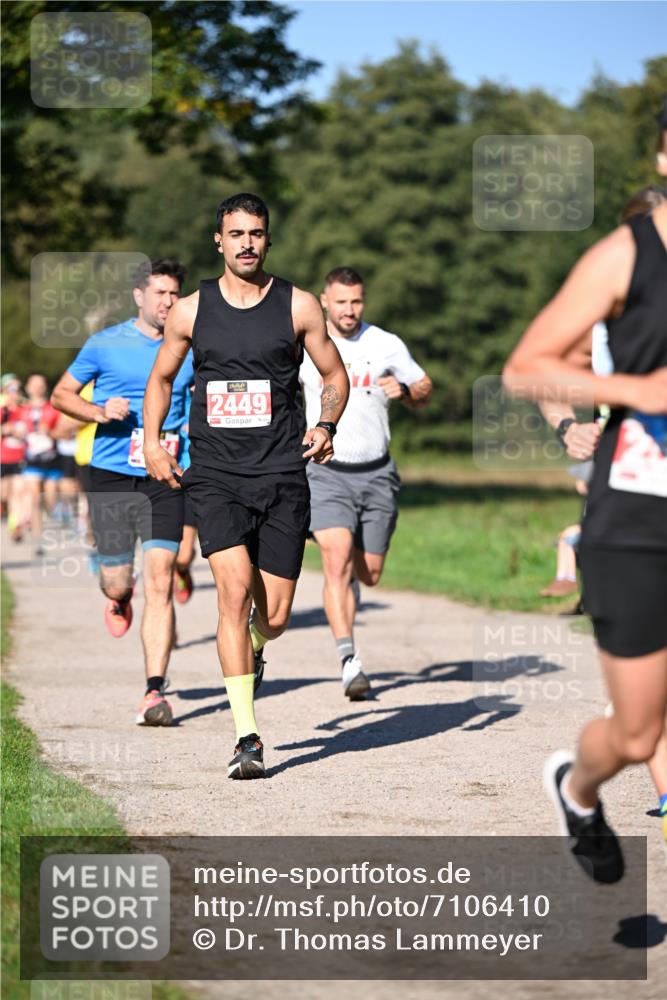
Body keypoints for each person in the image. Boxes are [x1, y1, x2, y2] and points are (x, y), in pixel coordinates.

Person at [503, 110, 667, 879]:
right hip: (637, 514)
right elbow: (525, 366)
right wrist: (635, 391)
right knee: (635, 734)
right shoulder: (624, 255)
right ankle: (576, 789)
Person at [143, 192, 349, 779]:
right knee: (232, 593)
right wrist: (153, 442)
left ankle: (258, 645)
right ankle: (247, 737)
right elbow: (162, 379)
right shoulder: (190, 310)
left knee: (275, 615)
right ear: (219, 241)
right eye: (236, 234)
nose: (247, 244)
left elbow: (334, 374)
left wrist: (326, 424)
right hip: (216, 474)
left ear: (268, 238)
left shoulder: (298, 305)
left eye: (256, 233)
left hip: (282, 473)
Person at [51, 259, 193, 726]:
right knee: (117, 579)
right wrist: (96, 411)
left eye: (174, 294)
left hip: (165, 475)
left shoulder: (191, 344)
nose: (167, 302)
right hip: (112, 475)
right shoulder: (105, 343)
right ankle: (118, 598)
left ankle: (154, 691)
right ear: (139, 296)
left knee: (161, 577)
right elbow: (60, 395)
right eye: (159, 293)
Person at [299, 267, 433, 698]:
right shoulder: (307, 343)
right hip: (326, 470)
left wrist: (407, 392)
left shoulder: (385, 343)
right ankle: (349, 660)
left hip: (376, 473)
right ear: (324, 301)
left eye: (356, 301)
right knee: (336, 558)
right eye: (341, 302)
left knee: (369, 574)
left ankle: (353, 578)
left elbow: (424, 386)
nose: (349, 310)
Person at [15, 373, 62, 555]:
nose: (37, 388)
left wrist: (50, 432)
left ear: (45, 387)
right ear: (27, 387)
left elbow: (64, 431)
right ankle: (38, 539)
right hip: (31, 459)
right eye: (33, 384)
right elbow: (12, 428)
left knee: (50, 499)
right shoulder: (21, 409)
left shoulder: (53, 408)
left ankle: (50, 518)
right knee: (34, 498)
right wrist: (16, 431)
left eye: (40, 384)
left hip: (52, 459)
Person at [1, 373, 26, 541]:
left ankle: (15, 526)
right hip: (2, 457)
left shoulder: (25, 410)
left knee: (17, 493)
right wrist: (5, 430)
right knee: (4, 494)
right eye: (11, 389)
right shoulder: (2, 411)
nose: (15, 392)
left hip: (20, 457)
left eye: (17, 389)